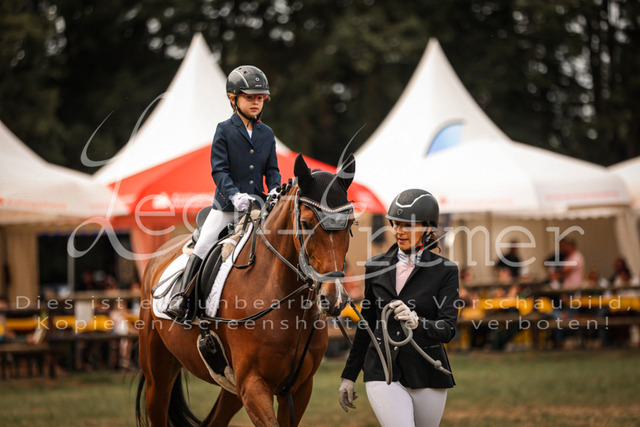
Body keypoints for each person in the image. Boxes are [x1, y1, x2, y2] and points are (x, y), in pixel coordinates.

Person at [165, 65, 281, 320]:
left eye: (260, 97)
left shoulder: (267, 133)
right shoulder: (224, 129)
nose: (256, 102)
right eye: (250, 97)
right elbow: (219, 170)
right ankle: (183, 297)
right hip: (227, 207)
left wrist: (274, 188)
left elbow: (272, 169)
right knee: (205, 243)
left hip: (258, 206)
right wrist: (235, 195)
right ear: (233, 98)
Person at [338, 189, 458, 427]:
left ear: (427, 228)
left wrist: (417, 322)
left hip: (427, 371)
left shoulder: (445, 271)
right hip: (382, 370)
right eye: (395, 224)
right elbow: (367, 325)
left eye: (407, 225)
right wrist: (349, 375)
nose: (398, 231)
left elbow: (447, 329)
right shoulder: (374, 267)